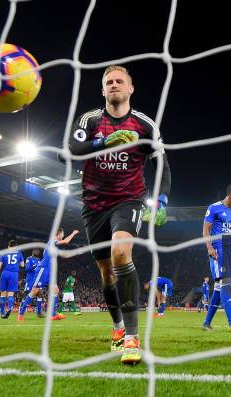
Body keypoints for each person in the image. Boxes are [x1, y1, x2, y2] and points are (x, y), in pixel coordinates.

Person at [66, 65, 172, 365]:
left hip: (129, 201)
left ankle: (132, 338)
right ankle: (116, 327)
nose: (114, 85)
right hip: (93, 205)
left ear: (130, 88)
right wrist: (102, 143)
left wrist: (161, 200)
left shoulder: (144, 125)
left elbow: (162, 165)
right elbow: (72, 148)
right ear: (103, 90)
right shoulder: (90, 120)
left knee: (121, 254)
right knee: (106, 273)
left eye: (119, 81)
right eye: (108, 82)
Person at [202, 184, 231, 332]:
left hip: (230, 251)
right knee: (225, 284)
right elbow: (205, 230)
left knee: (218, 288)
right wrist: (209, 247)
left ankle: (206, 323)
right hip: (217, 249)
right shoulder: (214, 208)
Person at [17, 228, 79, 321]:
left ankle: (53, 315)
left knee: (55, 290)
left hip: (50, 271)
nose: (63, 236)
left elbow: (64, 255)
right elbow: (66, 241)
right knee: (34, 292)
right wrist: (73, 233)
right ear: (59, 234)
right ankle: (21, 313)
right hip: (42, 270)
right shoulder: (52, 242)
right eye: (63, 234)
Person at [0, 240, 24, 319]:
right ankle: (10, 308)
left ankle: (2, 313)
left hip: (5, 273)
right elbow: (22, 265)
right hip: (14, 274)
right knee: (10, 294)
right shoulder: (19, 253)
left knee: (3, 294)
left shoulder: (4, 253)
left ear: (8, 246)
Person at [23, 249, 44, 318]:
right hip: (30, 280)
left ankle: (39, 313)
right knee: (27, 294)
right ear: (33, 251)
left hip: (37, 279)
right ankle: (21, 311)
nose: (38, 252)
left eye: (38, 251)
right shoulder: (28, 259)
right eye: (36, 251)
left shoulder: (38, 260)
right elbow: (26, 269)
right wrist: (34, 266)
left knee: (40, 294)